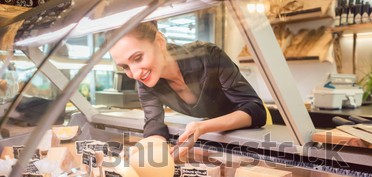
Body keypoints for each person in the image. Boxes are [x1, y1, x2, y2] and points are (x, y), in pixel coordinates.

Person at [109, 22, 271, 159]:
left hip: (254, 128)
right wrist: (149, 151)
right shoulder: (146, 81)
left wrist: (202, 127)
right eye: (125, 67)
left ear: (159, 41)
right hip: (220, 136)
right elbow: (154, 124)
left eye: (137, 58)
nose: (135, 73)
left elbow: (257, 110)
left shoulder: (208, 56)